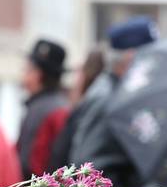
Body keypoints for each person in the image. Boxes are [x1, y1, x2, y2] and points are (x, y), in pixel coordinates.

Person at [50, 16, 157, 176]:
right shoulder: (107, 98)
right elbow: (88, 166)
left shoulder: (117, 92)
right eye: (151, 54)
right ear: (130, 57)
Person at [17, 39, 69, 178]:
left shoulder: (55, 111)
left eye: (27, 69)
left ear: (38, 74)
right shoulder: (52, 106)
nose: (23, 73)